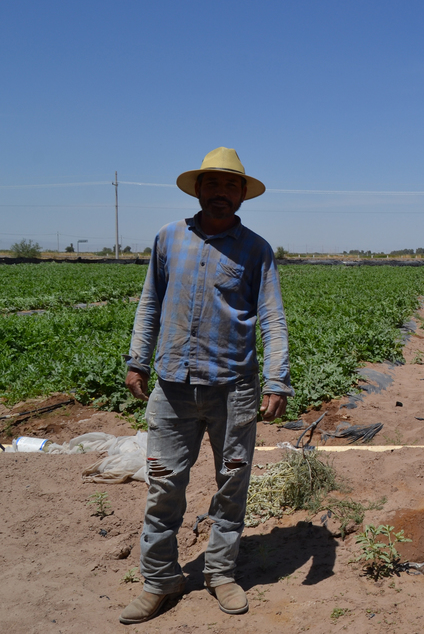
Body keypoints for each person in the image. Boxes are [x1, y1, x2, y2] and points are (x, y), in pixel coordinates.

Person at [120, 147, 293, 624]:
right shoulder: (168, 238)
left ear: (242, 195)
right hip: (172, 386)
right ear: (198, 189)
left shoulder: (256, 249)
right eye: (212, 183)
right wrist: (137, 360)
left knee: (232, 484)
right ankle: (160, 579)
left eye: (231, 185)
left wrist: (277, 379)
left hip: (234, 389)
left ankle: (220, 573)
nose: (221, 192)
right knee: (163, 486)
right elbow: (149, 303)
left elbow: (273, 318)